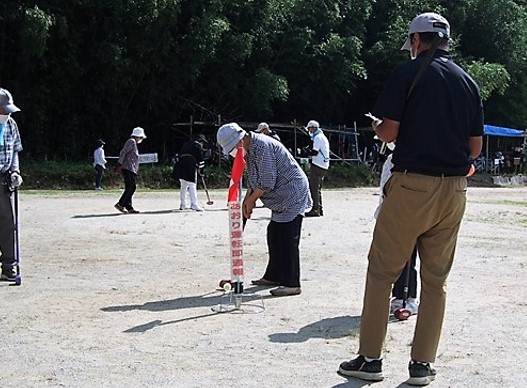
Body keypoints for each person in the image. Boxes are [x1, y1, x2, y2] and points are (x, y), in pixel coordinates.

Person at [338, 12, 483, 386]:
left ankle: (371, 359)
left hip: (412, 183)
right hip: (453, 190)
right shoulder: (468, 81)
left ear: (417, 41)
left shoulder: (408, 72)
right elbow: (475, 147)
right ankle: (422, 364)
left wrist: (376, 127)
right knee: (436, 280)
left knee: (382, 270)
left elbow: (389, 131)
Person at [216, 123, 312, 297]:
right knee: (274, 233)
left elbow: (267, 181)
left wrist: (251, 201)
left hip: (292, 192)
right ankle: (274, 275)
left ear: (239, 140)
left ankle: (292, 283)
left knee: (287, 237)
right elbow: (254, 181)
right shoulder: (250, 150)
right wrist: (246, 202)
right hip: (281, 196)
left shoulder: (262, 146)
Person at [374, 143, 419, 316]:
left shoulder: (412, 159)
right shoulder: (392, 161)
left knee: (409, 258)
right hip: (394, 214)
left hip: (410, 214)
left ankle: (408, 297)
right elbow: (385, 190)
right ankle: (398, 296)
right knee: (396, 258)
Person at [0, 87, 23, 282]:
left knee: (8, 225)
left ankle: (9, 266)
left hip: (4, 180)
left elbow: (15, 151)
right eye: (3, 110)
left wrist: (15, 171)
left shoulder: (11, 124)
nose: (6, 114)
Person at [114, 127, 147, 214]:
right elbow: (123, 152)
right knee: (132, 187)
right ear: (138, 136)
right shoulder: (131, 141)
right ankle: (121, 204)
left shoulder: (133, 143)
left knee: (130, 187)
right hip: (127, 168)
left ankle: (129, 207)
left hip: (131, 169)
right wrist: (119, 163)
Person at [172, 134, 207, 211]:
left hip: (180, 164)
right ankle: (194, 204)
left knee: (183, 185)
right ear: (200, 141)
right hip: (189, 165)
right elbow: (201, 160)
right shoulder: (197, 146)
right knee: (192, 185)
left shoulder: (186, 144)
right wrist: (201, 171)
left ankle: (183, 204)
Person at [303, 120, 329, 217]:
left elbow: (315, 152)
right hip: (323, 164)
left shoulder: (317, 138)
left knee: (314, 188)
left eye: (309, 128)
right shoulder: (322, 136)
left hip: (318, 164)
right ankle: (319, 208)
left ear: (313, 128)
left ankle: (316, 209)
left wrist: (305, 152)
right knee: (317, 188)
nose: (309, 131)